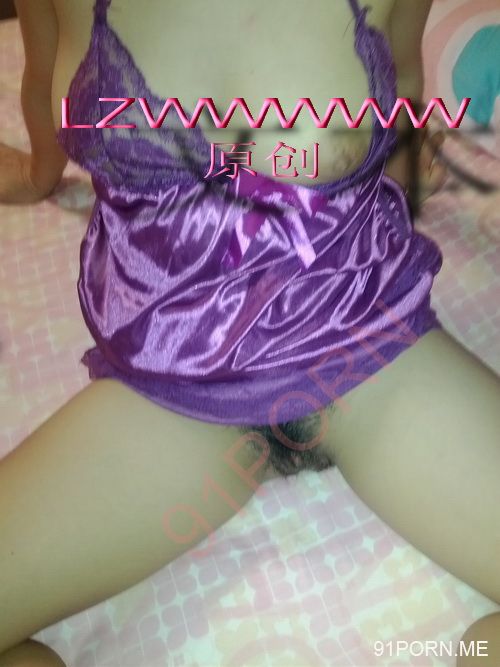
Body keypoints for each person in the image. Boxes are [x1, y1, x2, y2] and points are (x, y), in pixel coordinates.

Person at [0, 1, 499, 665]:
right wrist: (37, 174)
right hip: (170, 386)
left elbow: (401, 90)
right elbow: (42, 83)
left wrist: (406, 180)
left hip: (366, 345)